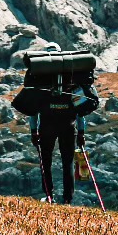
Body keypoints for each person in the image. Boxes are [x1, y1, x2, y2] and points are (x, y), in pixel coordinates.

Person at [29, 74, 99, 204]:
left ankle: (49, 195)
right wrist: (81, 133)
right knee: (68, 162)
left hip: (46, 127)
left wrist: (34, 132)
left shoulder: (41, 87)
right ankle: (68, 199)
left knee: (45, 161)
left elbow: (33, 112)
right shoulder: (73, 86)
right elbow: (80, 112)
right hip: (68, 127)